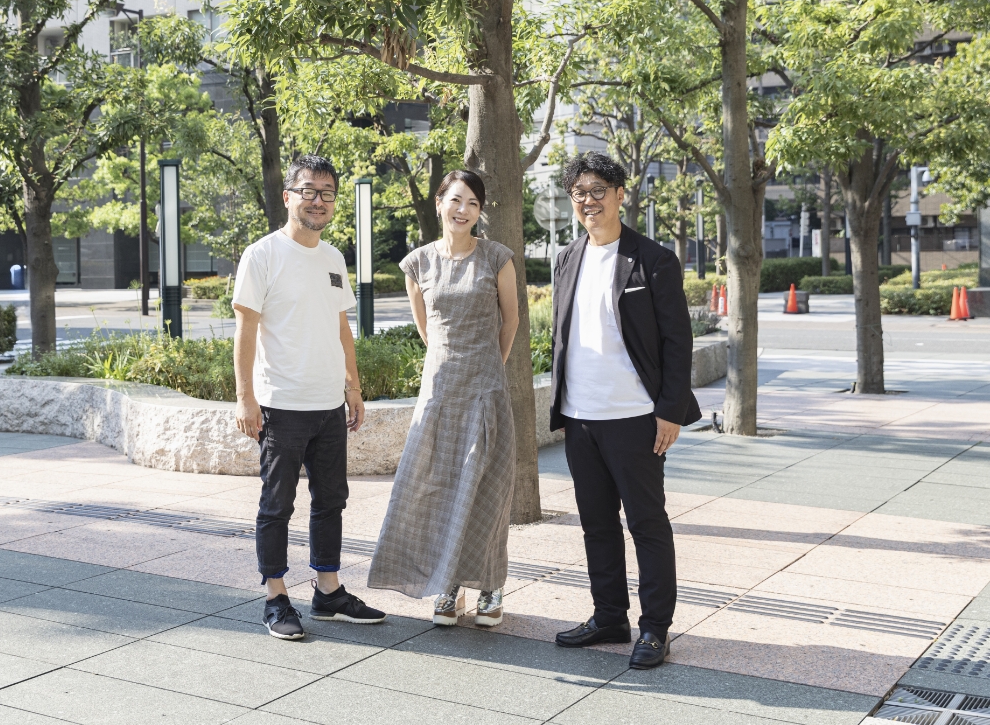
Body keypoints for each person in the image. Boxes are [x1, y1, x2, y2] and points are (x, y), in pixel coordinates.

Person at [548, 152, 700, 669]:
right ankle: (609, 616)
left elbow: (678, 341)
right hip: (580, 416)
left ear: (619, 194)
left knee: (647, 524)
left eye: (598, 190)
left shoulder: (653, 260)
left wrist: (670, 411)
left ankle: (655, 628)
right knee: (597, 524)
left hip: (636, 417)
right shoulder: (567, 257)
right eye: (579, 193)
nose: (588, 201)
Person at [232, 154, 387, 641]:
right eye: (309, 191)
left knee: (331, 501)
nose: (318, 201)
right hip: (281, 404)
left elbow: (341, 327)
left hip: (328, 405)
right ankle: (276, 597)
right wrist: (245, 398)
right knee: (277, 505)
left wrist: (353, 386)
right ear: (289, 197)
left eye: (327, 194)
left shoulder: (334, 258)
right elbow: (245, 331)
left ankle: (328, 591)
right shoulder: (262, 255)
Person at [368, 169, 519, 627]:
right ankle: (447, 584)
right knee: (435, 488)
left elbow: (510, 321)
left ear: (480, 211)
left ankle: (491, 587)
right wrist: (449, 364)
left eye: (473, 203)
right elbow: (426, 328)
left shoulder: (497, 257)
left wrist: (489, 366)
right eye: (456, 200)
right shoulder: (417, 263)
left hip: (485, 390)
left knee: (488, 489)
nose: (463, 210)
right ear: (439, 203)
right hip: (439, 392)